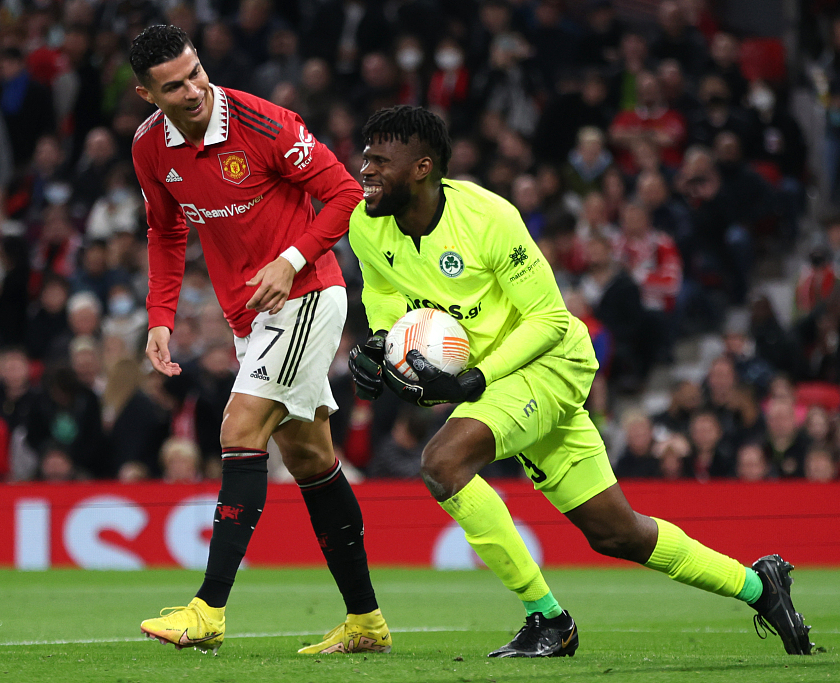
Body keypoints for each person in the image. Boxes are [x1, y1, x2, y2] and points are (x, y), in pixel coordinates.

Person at [348, 105, 812, 658]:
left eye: (380, 159)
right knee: (616, 532)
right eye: (365, 157)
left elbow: (548, 317)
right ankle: (762, 586)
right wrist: (380, 344)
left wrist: (477, 378)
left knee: (443, 463)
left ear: (423, 167)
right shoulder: (365, 224)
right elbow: (380, 289)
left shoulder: (489, 218)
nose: (366, 170)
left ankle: (548, 619)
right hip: (496, 382)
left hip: (549, 364)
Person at [129, 25, 389, 656]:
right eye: (173, 85)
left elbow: (346, 193)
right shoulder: (149, 148)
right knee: (308, 459)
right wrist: (160, 314)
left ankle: (208, 610)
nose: (193, 90)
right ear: (146, 94)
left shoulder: (264, 124)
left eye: (195, 72)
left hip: (307, 295)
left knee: (239, 429)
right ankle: (366, 622)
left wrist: (291, 259)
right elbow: (165, 234)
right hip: (250, 319)